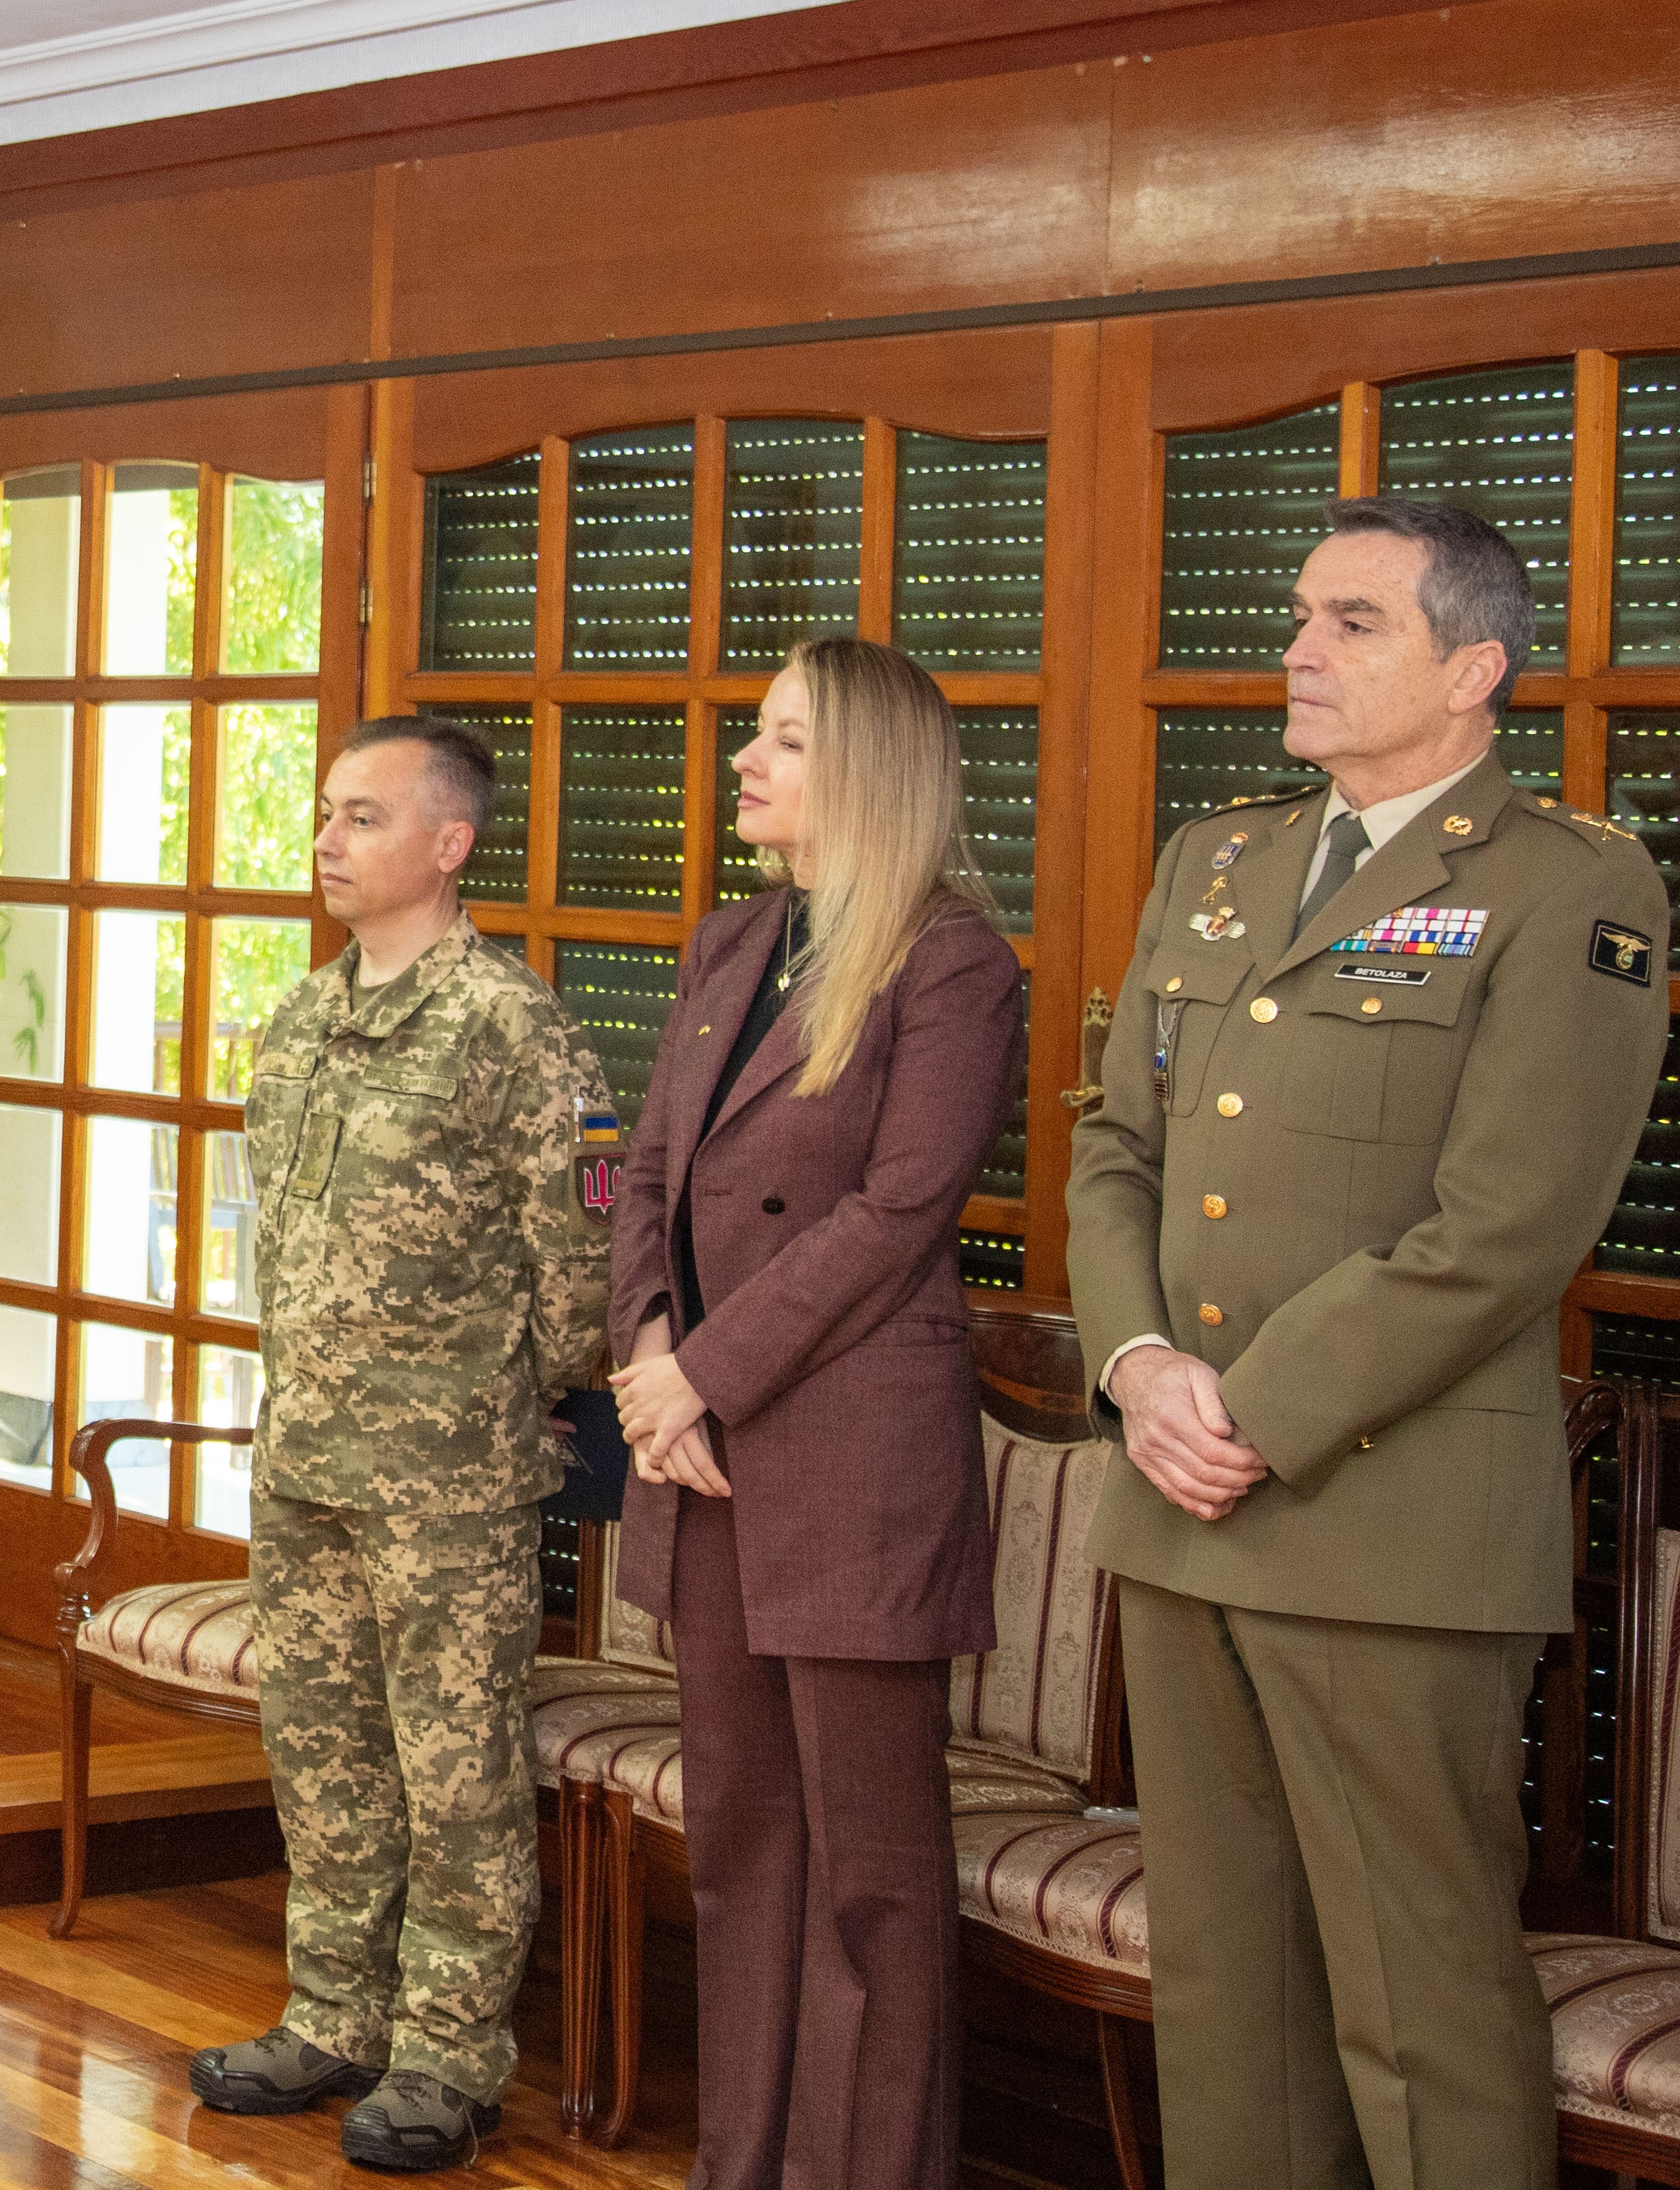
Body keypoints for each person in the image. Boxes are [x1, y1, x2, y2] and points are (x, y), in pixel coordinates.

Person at [1066, 495, 1670, 2190]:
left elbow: (1505, 1229)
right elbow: (1118, 1150)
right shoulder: (1220, 858)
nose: (1298, 649)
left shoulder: (1571, 887)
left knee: (1421, 2003)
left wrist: (1243, 1409)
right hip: (1181, 1509)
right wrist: (1134, 1373)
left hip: (1386, 1532)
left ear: (1473, 667)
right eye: (1299, 615)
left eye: (1351, 622)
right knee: (1228, 1995)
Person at [603, 636, 1023, 2190]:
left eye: (780, 738)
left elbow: (900, 1209)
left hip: (845, 1458)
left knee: (871, 1876)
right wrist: (649, 1354)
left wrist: (697, 1372)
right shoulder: (732, 940)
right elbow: (646, 1169)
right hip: (701, 1450)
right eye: (752, 735)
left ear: (865, 767)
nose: (745, 762)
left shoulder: (953, 959)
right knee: (740, 1851)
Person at [190, 715, 615, 2175]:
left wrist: (546, 1389)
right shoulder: (301, 1018)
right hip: (305, 1451)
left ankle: (445, 2053)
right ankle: (332, 2013)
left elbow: (581, 1264)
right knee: (320, 1753)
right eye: (323, 812)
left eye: (362, 816)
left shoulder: (516, 1027)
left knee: (457, 1771)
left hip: (450, 1474)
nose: (325, 838)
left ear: (448, 841)